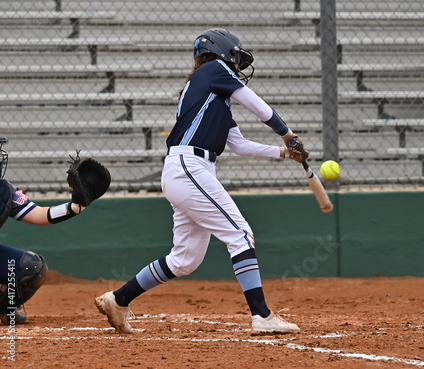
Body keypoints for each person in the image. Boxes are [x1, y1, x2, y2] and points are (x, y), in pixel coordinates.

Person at [95, 28, 308, 334]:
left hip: (189, 170)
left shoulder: (211, 95)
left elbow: (239, 145)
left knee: (185, 260)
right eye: (236, 59)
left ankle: (118, 299)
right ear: (222, 54)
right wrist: (287, 134)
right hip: (189, 166)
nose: (238, 67)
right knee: (241, 235)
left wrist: (284, 153)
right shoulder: (214, 69)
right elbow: (258, 105)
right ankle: (261, 315)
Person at [0, 137, 87, 325]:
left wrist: (77, 205)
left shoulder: (4, 192)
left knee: (32, 267)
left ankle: (4, 309)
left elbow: (41, 215)